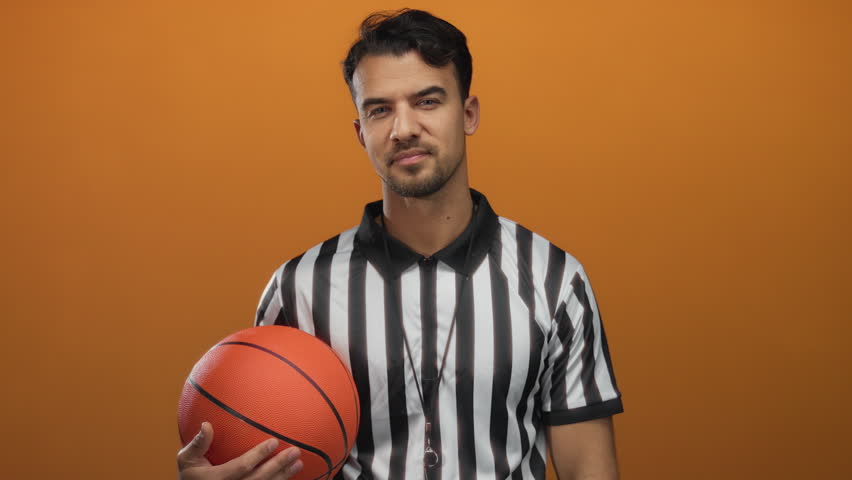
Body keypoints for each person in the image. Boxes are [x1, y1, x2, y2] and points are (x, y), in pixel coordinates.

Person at [177, 8, 623, 480]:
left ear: (468, 114)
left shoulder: (554, 279)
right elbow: (267, 455)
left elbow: (588, 471)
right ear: (360, 132)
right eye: (380, 109)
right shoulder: (298, 288)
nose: (403, 128)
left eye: (427, 101)